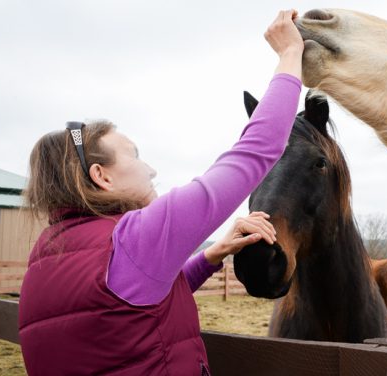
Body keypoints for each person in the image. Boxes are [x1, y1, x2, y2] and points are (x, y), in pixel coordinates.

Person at [18, 9, 303, 376]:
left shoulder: (46, 253)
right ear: (101, 176)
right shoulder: (133, 238)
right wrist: (289, 55)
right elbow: (256, 151)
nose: (150, 169)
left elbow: (131, 305)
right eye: (134, 155)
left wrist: (210, 256)